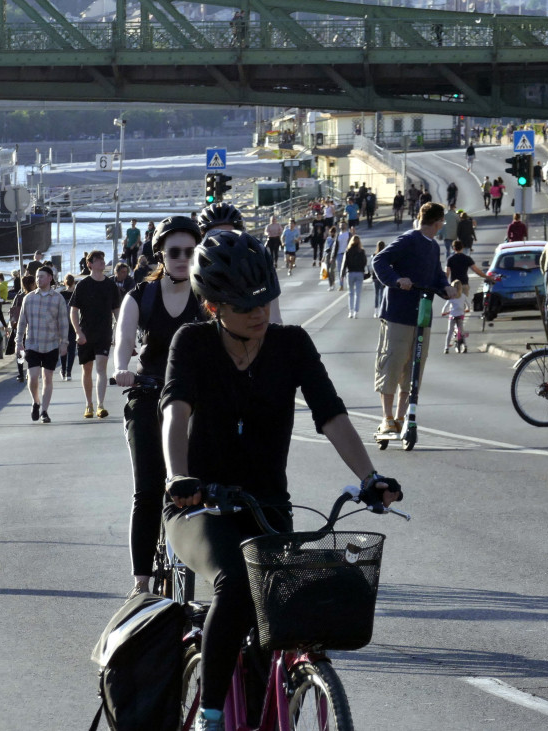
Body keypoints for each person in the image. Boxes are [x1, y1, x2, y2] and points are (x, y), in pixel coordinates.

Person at [161, 230, 402, 731]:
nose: (260, 313)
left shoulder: (292, 345)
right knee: (234, 587)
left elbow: (332, 415)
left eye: (266, 300)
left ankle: (265, 702)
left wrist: (370, 476)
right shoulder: (193, 343)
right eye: (245, 304)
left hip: (268, 507)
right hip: (199, 507)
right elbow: (175, 412)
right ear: (212, 307)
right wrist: (178, 476)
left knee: (283, 615)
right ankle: (209, 716)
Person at [111, 215, 207, 600]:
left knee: (210, 484)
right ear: (160, 255)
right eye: (175, 251)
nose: (184, 258)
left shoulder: (207, 296)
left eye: (191, 251)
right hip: (148, 393)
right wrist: (121, 369)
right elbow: (122, 339)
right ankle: (141, 583)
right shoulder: (139, 296)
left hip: (195, 397)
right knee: (148, 489)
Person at [371, 203, 458, 434]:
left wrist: (446, 287)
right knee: (392, 364)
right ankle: (387, 418)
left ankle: (401, 417)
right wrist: (397, 280)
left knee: (413, 370)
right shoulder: (409, 239)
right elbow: (379, 261)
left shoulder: (433, 246)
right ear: (439, 222)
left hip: (422, 315)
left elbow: (436, 274)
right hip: (398, 314)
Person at [70, 250, 121, 418]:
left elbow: (117, 311)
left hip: (104, 333)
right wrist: (78, 332)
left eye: (102, 259)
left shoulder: (110, 285)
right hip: (85, 333)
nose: (101, 262)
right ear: (89, 264)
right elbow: (73, 311)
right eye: (98, 260)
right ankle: (88, 404)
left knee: (101, 369)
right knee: (87, 370)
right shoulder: (82, 285)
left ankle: (100, 405)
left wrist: (118, 333)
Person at [15, 266, 69, 423]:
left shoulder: (58, 299)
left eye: (42, 277)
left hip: (51, 344)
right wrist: (18, 342)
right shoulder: (29, 298)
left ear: (50, 278)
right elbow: (22, 322)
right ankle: (35, 401)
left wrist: (64, 342)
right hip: (32, 343)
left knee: (47, 378)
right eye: (37, 277)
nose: (38, 279)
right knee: (32, 378)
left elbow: (63, 323)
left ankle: (44, 411)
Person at [9, 275, 35, 383]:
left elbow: (12, 312)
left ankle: (20, 373)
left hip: (20, 326)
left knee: (20, 350)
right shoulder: (34, 296)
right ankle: (30, 371)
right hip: (32, 326)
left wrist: (12, 325)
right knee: (31, 350)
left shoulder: (19, 296)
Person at [344, 234, 368, 318]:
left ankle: (350, 311)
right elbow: (364, 262)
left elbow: (345, 263)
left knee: (350, 293)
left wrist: (342, 274)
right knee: (358, 294)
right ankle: (356, 312)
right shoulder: (361, 251)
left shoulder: (348, 251)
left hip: (350, 273)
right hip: (359, 273)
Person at [442, 281, 468, 354]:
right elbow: (467, 305)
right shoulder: (463, 296)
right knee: (462, 332)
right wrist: (466, 309)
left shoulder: (451, 297)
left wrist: (443, 312)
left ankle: (446, 348)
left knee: (450, 331)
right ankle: (465, 346)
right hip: (460, 316)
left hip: (453, 316)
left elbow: (445, 307)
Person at [59, 274, 77, 381]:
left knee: (63, 347)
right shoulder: (77, 294)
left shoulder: (61, 295)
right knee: (72, 349)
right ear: (74, 282)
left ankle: (63, 369)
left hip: (63, 324)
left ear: (65, 283)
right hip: (74, 324)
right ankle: (69, 371)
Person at [370, 241, 387, 318]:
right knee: (382, 294)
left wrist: (371, 275)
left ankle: (375, 311)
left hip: (375, 277)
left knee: (376, 294)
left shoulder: (374, 255)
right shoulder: (385, 255)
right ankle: (381, 310)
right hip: (382, 277)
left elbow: (371, 267)